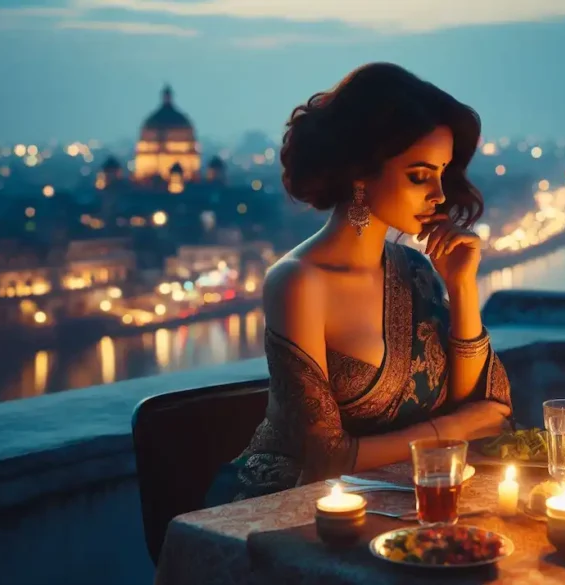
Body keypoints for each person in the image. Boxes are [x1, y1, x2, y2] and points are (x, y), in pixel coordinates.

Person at [206, 63, 513, 505]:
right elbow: (326, 458)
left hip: (401, 496)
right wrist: (455, 429)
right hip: (288, 508)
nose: (440, 195)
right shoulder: (298, 283)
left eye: (442, 174)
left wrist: (463, 287)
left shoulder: (417, 270)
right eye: (419, 175)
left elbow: (486, 404)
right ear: (360, 171)